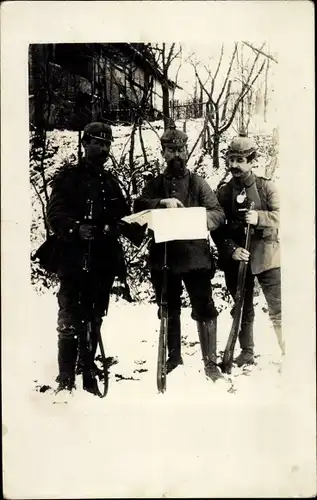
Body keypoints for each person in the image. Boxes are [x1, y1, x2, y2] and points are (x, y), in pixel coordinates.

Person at [134, 126, 225, 381]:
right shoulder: (154, 185)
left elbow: (217, 213)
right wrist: (161, 204)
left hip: (195, 259)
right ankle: (174, 357)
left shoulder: (198, 184)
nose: (177, 154)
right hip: (164, 260)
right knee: (168, 308)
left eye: (181, 149)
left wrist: (197, 219)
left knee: (205, 308)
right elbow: (139, 206)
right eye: (171, 150)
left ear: (187, 151)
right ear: (163, 153)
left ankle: (210, 363)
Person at [46, 121, 131, 394]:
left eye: (107, 144)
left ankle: (88, 369)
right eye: (98, 142)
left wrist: (110, 228)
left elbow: (124, 218)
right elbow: (55, 215)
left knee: (95, 316)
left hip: (101, 262)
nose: (103, 149)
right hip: (72, 259)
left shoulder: (110, 182)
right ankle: (65, 378)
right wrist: (75, 229)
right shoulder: (68, 177)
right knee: (69, 316)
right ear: (85, 144)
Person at [213, 133, 284, 367]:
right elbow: (216, 227)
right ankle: (246, 353)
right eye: (231, 159)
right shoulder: (223, 192)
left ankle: (290, 351)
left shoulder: (266, 187)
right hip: (238, 259)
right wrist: (231, 249)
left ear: (251, 160)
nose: (234, 165)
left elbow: (283, 216)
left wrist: (260, 217)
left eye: (240, 160)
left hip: (267, 256)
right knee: (242, 308)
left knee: (278, 309)